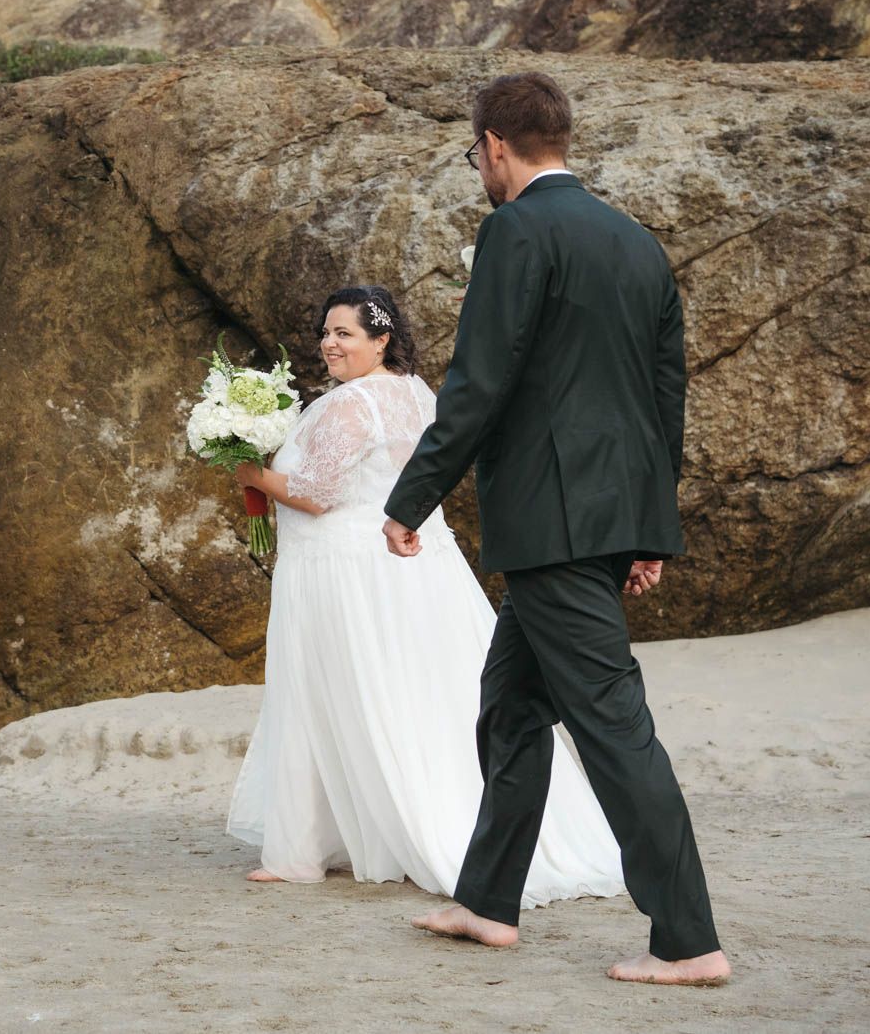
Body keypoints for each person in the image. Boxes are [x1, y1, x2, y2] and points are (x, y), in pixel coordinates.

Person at [382, 72, 731, 986]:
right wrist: (650, 525)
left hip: (552, 519)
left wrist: (410, 497)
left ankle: (689, 939)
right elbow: (666, 398)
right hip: (602, 516)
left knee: (614, 727)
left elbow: (479, 383)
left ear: (496, 145)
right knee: (510, 708)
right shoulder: (639, 243)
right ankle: (487, 902)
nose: (480, 171)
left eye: (477, 156)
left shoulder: (514, 231)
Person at [223, 285, 626, 912]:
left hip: (347, 569)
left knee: (327, 694)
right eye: (325, 333)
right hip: (414, 568)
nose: (329, 343)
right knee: (426, 692)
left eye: (344, 334)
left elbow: (314, 492)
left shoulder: (351, 405)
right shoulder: (415, 392)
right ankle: (404, 826)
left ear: (381, 340)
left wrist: (248, 471)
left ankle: (305, 848)